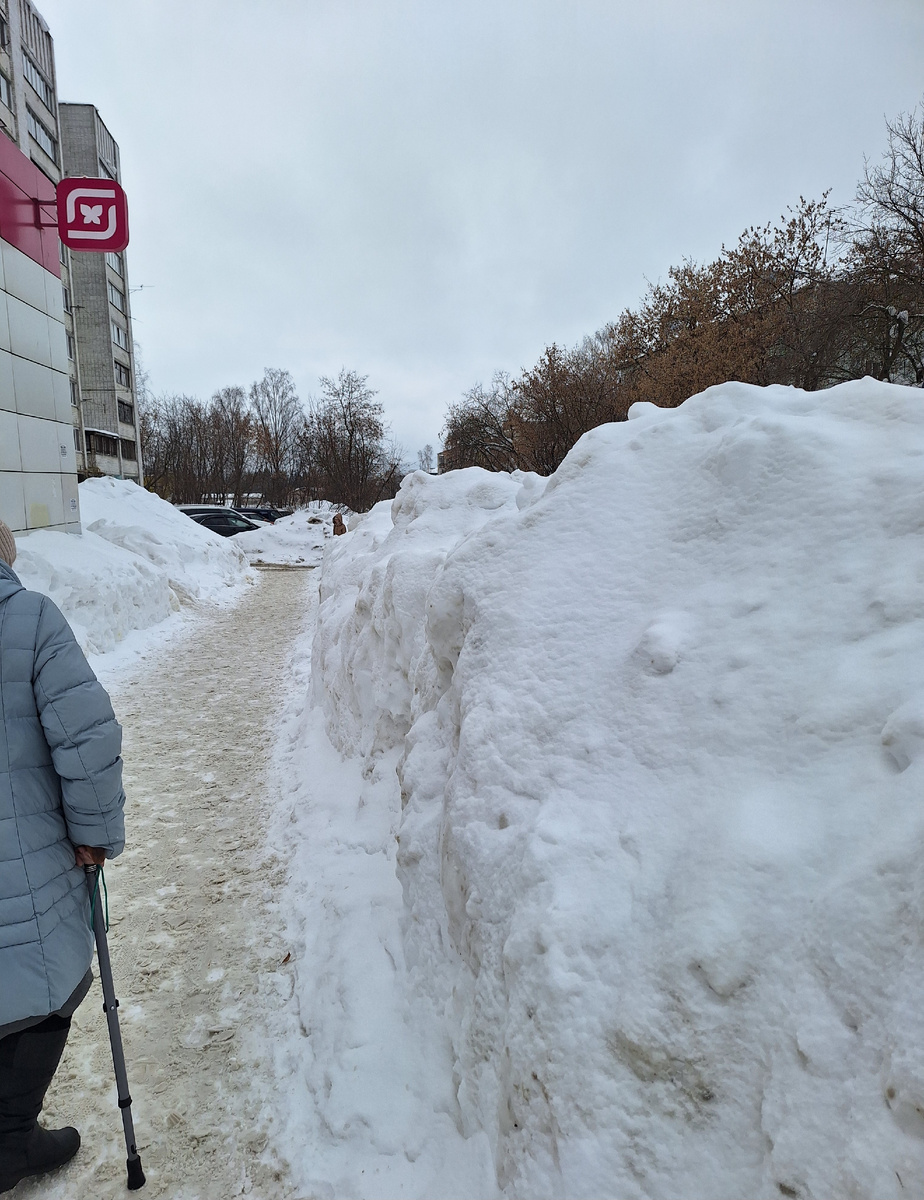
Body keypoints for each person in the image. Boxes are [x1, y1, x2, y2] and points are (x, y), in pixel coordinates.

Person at [0, 518, 126, 1193]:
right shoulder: (31, 621)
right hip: (24, 863)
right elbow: (86, 741)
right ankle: (10, 1138)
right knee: (44, 991)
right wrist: (95, 832)